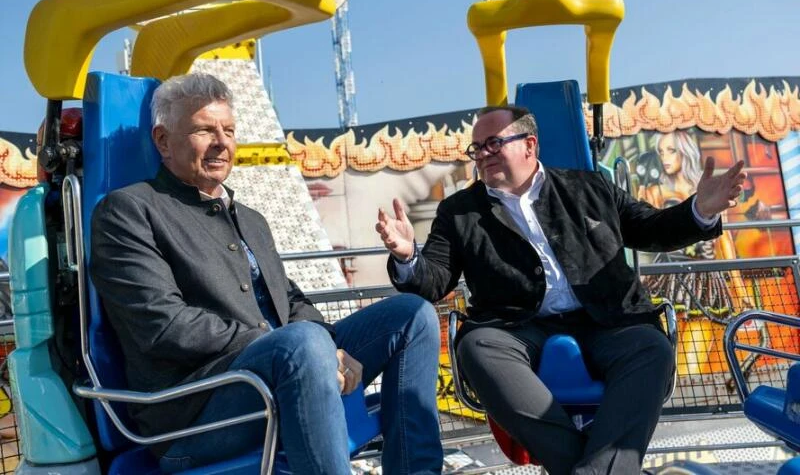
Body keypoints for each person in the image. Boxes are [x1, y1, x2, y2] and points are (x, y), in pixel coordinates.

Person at [90, 73, 443, 475]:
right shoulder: (129, 211)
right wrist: (296, 344)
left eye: (229, 130)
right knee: (302, 343)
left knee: (412, 314)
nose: (222, 142)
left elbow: (290, 301)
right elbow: (163, 325)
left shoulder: (251, 220)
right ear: (163, 141)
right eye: (205, 130)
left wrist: (329, 345)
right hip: (197, 416)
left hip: (284, 367)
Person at [375, 105, 745, 475]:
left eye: (492, 143)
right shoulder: (459, 212)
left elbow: (652, 229)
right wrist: (408, 256)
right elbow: (435, 279)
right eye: (477, 148)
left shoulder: (589, 187)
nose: (482, 154)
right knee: (476, 347)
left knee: (651, 349)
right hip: (517, 329)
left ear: (529, 145)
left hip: (608, 321)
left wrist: (700, 211)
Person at [639, 131, 753, 376]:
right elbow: (644, 233)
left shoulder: (711, 191)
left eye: (671, 150)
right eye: (661, 151)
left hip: (705, 283)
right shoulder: (654, 192)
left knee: (692, 367)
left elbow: (725, 244)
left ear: (686, 152)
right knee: (667, 359)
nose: (665, 158)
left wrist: (739, 289)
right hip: (666, 280)